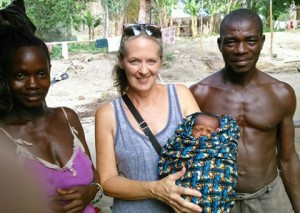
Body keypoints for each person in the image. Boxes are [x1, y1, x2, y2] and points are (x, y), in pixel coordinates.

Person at [190, 8, 300, 212]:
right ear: (220, 44)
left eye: (250, 40)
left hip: (269, 198)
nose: (241, 50)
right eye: (231, 41)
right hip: (215, 198)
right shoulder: (199, 94)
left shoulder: (281, 93)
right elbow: (187, 151)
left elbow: (287, 157)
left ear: (262, 41)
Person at [95, 24, 203, 213]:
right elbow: (108, 182)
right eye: (134, 61)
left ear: (161, 61)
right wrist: (155, 190)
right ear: (121, 61)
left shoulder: (181, 96)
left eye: (151, 61)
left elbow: (205, 153)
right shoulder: (108, 114)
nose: (144, 70)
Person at [0, 26, 102, 213]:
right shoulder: (3, 137)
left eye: (41, 74)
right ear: (5, 78)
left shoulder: (67, 118)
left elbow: (95, 175)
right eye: (21, 75)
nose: (33, 84)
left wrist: (91, 191)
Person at [158, 112, 240, 213]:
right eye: (198, 129)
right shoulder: (181, 145)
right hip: (185, 201)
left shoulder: (222, 147)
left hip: (215, 198)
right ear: (190, 129)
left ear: (217, 132)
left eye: (209, 131)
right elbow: (169, 162)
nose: (203, 134)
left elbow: (227, 166)